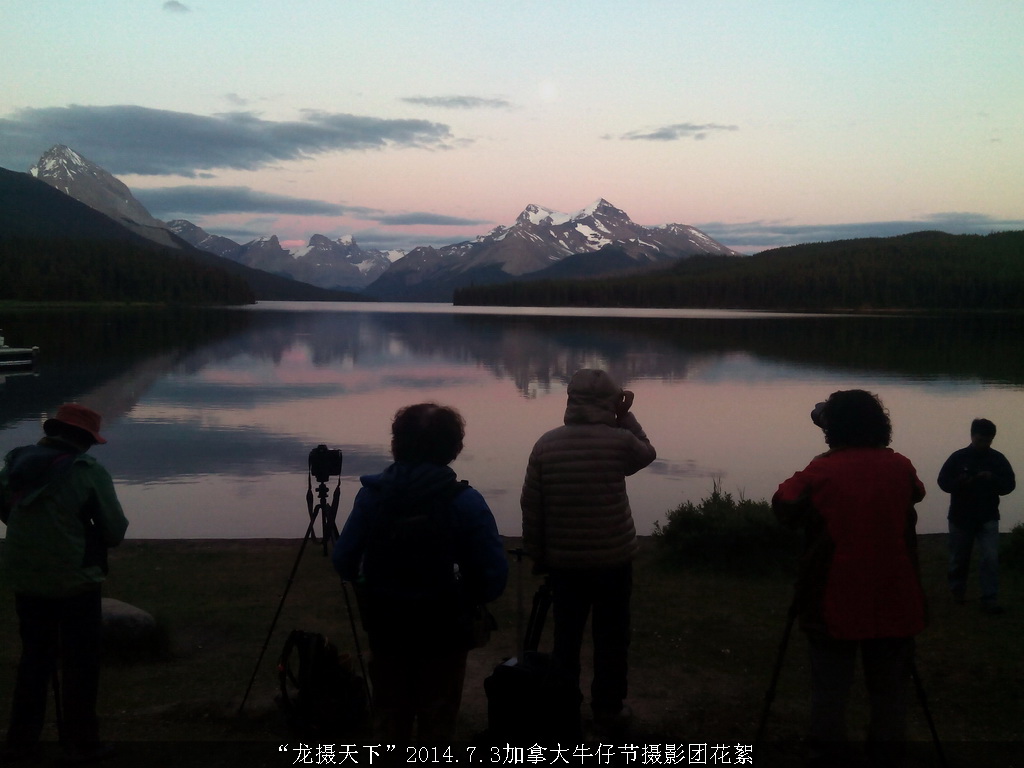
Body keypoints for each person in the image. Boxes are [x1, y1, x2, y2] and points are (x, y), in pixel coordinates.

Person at [332, 403, 507, 744]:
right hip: (446, 631)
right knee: (438, 721)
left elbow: (343, 561)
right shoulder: (466, 502)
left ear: (397, 444)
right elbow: (494, 578)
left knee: (389, 717)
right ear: (452, 448)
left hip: (385, 626)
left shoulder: (372, 497)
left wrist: (372, 581)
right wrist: (468, 595)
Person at [772, 390, 926, 768]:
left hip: (834, 600)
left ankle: (828, 755)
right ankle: (887, 754)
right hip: (896, 596)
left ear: (832, 428)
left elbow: (784, 505)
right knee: (890, 691)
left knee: (830, 689)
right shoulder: (901, 466)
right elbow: (917, 493)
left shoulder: (823, 471)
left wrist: (827, 456)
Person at [520, 369, 657, 733]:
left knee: (566, 637)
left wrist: (537, 554)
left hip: (565, 563)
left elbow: (531, 506)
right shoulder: (619, 441)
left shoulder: (546, 445)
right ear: (610, 403)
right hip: (614, 559)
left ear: (571, 401)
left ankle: (564, 711)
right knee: (612, 636)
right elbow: (647, 453)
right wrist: (625, 416)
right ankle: (608, 709)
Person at [0, 403, 129, 763]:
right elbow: (114, 531)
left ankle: (21, 743)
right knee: (81, 663)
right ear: (84, 439)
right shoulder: (88, 471)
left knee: (34, 660)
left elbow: (6, 506)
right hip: (76, 581)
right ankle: (82, 743)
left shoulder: (15, 463)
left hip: (27, 577)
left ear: (53, 432)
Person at [937, 418, 1016, 614]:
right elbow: (943, 482)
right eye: (981, 440)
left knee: (990, 558)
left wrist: (992, 478)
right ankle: (958, 591)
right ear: (972, 436)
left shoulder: (997, 459)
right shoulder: (958, 457)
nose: (984, 444)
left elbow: (1009, 485)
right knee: (959, 559)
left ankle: (990, 598)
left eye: (988, 440)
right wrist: (960, 481)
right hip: (961, 518)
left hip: (988, 516)